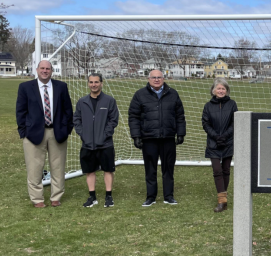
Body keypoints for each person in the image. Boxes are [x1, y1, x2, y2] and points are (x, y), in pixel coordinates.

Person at [15, 60, 73, 208]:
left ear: (51, 71)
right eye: (42, 68)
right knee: (34, 168)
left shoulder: (61, 87)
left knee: (58, 167)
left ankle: (56, 196)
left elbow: (68, 110)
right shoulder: (26, 87)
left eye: (48, 68)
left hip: (57, 132)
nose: (45, 71)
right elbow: (20, 111)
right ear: (37, 69)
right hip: (33, 134)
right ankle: (37, 199)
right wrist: (24, 131)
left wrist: (67, 129)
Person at [128, 70, 186, 207]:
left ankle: (169, 196)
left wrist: (181, 133)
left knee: (168, 169)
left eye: (159, 77)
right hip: (149, 138)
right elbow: (133, 117)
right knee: (150, 169)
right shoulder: (140, 95)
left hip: (168, 137)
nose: (156, 80)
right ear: (148, 79)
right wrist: (136, 136)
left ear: (163, 78)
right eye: (153, 77)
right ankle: (151, 197)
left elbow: (180, 116)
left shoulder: (173, 94)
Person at [73, 73, 119, 208]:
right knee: (90, 170)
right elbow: (77, 119)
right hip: (88, 143)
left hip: (105, 143)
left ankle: (108, 196)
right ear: (88, 84)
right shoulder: (82, 102)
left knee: (108, 170)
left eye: (96, 82)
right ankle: (92, 197)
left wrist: (105, 134)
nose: (94, 85)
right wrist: (83, 134)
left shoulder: (109, 101)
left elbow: (113, 120)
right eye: (91, 82)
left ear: (101, 83)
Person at [202, 78, 238, 213]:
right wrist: (216, 136)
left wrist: (225, 136)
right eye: (219, 88)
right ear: (214, 90)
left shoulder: (232, 104)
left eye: (223, 88)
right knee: (217, 170)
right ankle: (222, 201)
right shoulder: (208, 106)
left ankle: (223, 198)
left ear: (226, 90)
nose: (221, 91)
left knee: (226, 170)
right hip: (213, 142)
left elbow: (235, 122)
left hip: (228, 142)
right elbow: (205, 123)